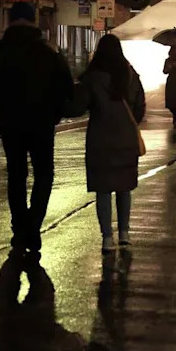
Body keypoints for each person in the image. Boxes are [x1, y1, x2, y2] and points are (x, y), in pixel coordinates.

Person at [0, 2, 75, 255]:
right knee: (44, 173)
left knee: (16, 175)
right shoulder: (48, 52)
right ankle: (33, 226)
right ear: (34, 20)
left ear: (9, 20)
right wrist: (55, 111)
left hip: (10, 122)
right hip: (42, 122)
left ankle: (21, 227)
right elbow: (66, 88)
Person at [70, 34, 145, 252]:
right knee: (124, 188)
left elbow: (78, 107)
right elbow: (140, 107)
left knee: (103, 190)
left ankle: (107, 238)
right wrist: (128, 125)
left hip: (100, 140)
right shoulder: (130, 76)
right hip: (126, 140)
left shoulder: (92, 79)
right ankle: (125, 233)